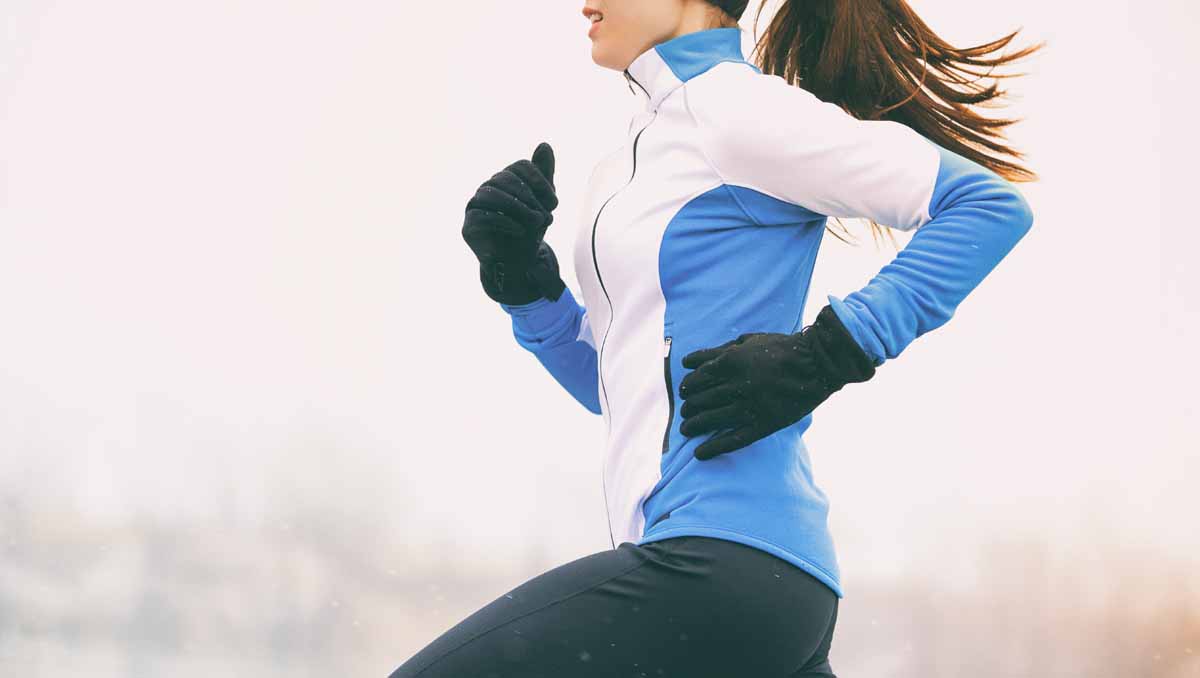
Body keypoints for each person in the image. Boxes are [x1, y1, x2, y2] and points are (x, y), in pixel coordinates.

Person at [392, 0, 1041, 676]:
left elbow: (987, 206)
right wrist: (526, 286)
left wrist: (829, 352)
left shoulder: (738, 113)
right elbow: (622, 391)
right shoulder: (628, 161)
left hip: (719, 566)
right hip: (753, 588)